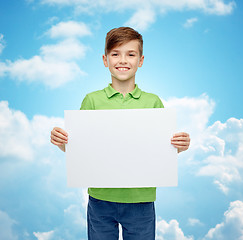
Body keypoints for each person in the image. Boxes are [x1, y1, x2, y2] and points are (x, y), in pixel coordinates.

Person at [50, 27, 190, 240]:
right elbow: (79, 149)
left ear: (140, 60)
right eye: (115, 54)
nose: (122, 60)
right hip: (100, 198)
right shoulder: (92, 100)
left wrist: (180, 145)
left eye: (130, 54)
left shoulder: (153, 102)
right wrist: (61, 141)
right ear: (105, 60)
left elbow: (162, 151)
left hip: (140, 199)